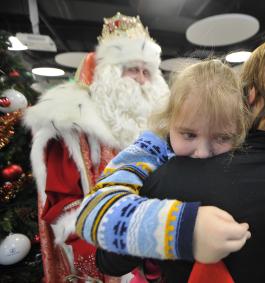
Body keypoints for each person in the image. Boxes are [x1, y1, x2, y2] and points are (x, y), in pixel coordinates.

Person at [77, 25, 265, 283]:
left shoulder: (168, 181)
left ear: (247, 102)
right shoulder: (150, 149)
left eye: (222, 138)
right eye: (188, 134)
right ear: (169, 121)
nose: (202, 152)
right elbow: (93, 211)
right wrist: (181, 229)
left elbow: (110, 262)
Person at [23, 12, 169, 282]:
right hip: (105, 255)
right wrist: (102, 260)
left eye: (146, 71)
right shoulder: (72, 126)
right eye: (131, 69)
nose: (140, 80)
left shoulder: (162, 127)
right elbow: (63, 206)